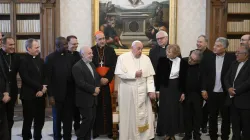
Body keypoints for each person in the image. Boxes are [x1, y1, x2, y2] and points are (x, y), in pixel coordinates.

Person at [115, 40, 156, 140]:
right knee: (129, 116)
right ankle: (128, 137)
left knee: (144, 115)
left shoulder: (146, 59)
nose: (140, 51)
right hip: (128, 92)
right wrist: (134, 74)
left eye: (141, 49)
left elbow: (150, 77)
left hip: (143, 92)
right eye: (138, 49)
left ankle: (144, 137)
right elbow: (119, 74)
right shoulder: (122, 58)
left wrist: (151, 90)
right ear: (132, 48)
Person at [201, 37, 235, 140]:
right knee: (212, 117)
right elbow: (203, 75)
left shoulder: (232, 58)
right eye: (215, 45)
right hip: (211, 92)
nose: (214, 47)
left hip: (225, 93)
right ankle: (213, 137)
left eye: (218, 46)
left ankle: (225, 137)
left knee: (226, 117)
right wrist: (203, 89)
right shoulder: (207, 57)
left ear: (224, 48)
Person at [45, 37, 75, 140]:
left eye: (67, 44)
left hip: (69, 94)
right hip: (56, 95)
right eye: (64, 45)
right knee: (57, 120)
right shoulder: (50, 58)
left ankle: (67, 137)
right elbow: (47, 78)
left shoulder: (70, 57)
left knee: (68, 120)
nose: (67, 46)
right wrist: (50, 95)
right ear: (57, 46)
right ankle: (57, 137)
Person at [155, 44, 187, 140]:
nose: (167, 53)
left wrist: (183, 93)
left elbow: (184, 79)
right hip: (164, 88)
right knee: (165, 110)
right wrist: (157, 90)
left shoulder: (182, 62)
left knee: (175, 111)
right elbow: (158, 77)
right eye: (167, 51)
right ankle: (166, 133)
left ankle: (172, 134)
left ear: (176, 53)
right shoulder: (162, 60)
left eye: (170, 51)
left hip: (176, 88)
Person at [19, 39, 47, 140]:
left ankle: (37, 137)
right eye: (36, 47)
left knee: (40, 120)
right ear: (28, 48)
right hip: (28, 95)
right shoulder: (23, 60)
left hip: (40, 94)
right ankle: (26, 137)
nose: (38, 49)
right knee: (28, 120)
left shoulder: (41, 60)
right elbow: (26, 78)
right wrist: (40, 87)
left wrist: (43, 89)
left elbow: (45, 76)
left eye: (38, 47)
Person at [91, 31, 117, 138]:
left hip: (108, 83)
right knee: (96, 106)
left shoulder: (111, 50)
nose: (102, 41)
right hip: (96, 83)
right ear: (96, 40)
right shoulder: (92, 50)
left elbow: (114, 66)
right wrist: (99, 79)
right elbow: (91, 66)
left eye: (103, 38)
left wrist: (107, 78)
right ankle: (96, 131)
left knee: (108, 105)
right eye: (99, 39)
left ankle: (109, 131)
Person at [72, 47, 100, 140]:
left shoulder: (91, 64)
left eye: (91, 53)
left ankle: (86, 138)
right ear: (82, 55)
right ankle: (80, 137)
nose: (92, 55)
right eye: (89, 53)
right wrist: (93, 90)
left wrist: (97, 89)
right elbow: (80, 83)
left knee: (92, 120)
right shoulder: (77, 66)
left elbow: (96, 78)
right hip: (84, 98)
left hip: (93, 98)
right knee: (87, 120)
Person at [224, 44, 250, 140]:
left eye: (238, 53)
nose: (236, 54)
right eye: (236, 52)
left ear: (246, 54)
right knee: (235, 127)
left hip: (245, 102)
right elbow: (226, 78)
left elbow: (248, 82)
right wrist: (229, 88)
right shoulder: (234, 63)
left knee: (246, 128)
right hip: (232, 101)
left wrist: (235, 91)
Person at [0, 35, 20, 139]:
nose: (13, 47)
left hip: (12, 91)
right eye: (10, 45)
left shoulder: (16, 57)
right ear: (2, 45)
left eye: (14, 44)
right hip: (1, 92)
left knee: (10, 118)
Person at [182, 49, 203, 140]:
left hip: (197, 95)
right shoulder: (183, 62)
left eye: (194, 60)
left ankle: (197, 135)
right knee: (187, 115)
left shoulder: (201, 66)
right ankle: (187, 135)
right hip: (185, 94)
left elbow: (204, 79)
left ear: (198, 61)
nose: (191, 61)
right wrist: (181, 92)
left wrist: (204, 90)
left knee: (197, 116)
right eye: (191, 58)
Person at [196, 35, 214, 133]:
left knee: (206, 108)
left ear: (206, 43)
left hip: (207, 86)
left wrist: (204, 88)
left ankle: (203, 125)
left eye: (200, 42)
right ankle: (196, 126)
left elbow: (210, 74)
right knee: (196, 108)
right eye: (197, 41)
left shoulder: (211, 55)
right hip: (195, 86)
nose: (198, 44)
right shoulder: (193, 52)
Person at [66, 35, 81, 132]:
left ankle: (77, 128)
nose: (75, 46)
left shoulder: (78, 55)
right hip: (67, 88)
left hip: (77, 87)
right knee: (67, 111)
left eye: (77, 44)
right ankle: (67, 129)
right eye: (73, 44)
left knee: (77, 110)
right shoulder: (63, 55)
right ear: (67, 44)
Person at [0, 33, 11, 140]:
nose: (1, 41)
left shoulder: (1, 55)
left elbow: (5, 76)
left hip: (3, 98)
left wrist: (7, 92)